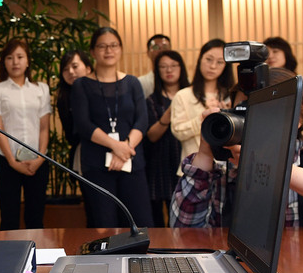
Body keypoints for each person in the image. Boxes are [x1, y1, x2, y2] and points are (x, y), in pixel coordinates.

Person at [170, 67, 303, 227]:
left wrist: (261, 163)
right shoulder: (224, 166)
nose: (253, 123)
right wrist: (205, 152)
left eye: (264, 113)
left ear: (298, 121)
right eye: (243, 112)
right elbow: (183, 229)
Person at [71, 27, 152, 228]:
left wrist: (124, 149)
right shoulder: (81, 85)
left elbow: (142, 120)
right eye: (102, 46)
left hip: (131, 162)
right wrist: (116, 147)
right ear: (92, 52)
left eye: (114, 45)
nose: (109, 50)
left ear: (120, 49)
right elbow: (83, 124)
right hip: (97, 165)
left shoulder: (132, 82)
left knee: (140, 223)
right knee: (103, 225)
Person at [0, 39, 51, 230]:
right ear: (4, 62)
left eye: (20, 57)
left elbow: (44, 127)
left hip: (37, 162)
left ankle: (38, 258)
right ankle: (9, 259)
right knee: (9, 219)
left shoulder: (41, 89)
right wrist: (13, 162)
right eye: (10, 57)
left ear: (28, 61)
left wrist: (40, 157)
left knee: (36, 218)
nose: (15, 62)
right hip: (6, 162)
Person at [170, 39, 234, 174]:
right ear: (200, 60)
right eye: (209, 59)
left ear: (226, 66)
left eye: (219, 62)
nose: (212, 66)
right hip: (194, 169)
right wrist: (203, 116)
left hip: (227, 170)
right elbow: (178, 131)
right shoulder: (183, 95)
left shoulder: (231, 96)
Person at [144, 50, 190, 226]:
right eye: (163, 67)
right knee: (157, 217)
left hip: (186, 156)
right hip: (160, 160)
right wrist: (170, 112)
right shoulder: (152, 100)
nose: (168, 70)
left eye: (173, 66)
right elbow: (152, 136)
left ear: (181, 68)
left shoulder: (192, 95)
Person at [263, 36, 303, 128]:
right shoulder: (260, 83)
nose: (270, 56)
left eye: (275, 51)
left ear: (286, 54)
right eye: (266, 53)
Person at [56, 50, 93, 173]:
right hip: (82, 152)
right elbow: (70, 134)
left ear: (88, 68)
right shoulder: (64, 99)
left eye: (75, 66)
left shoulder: (101, 90)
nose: (70, 72)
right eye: (65, 69)